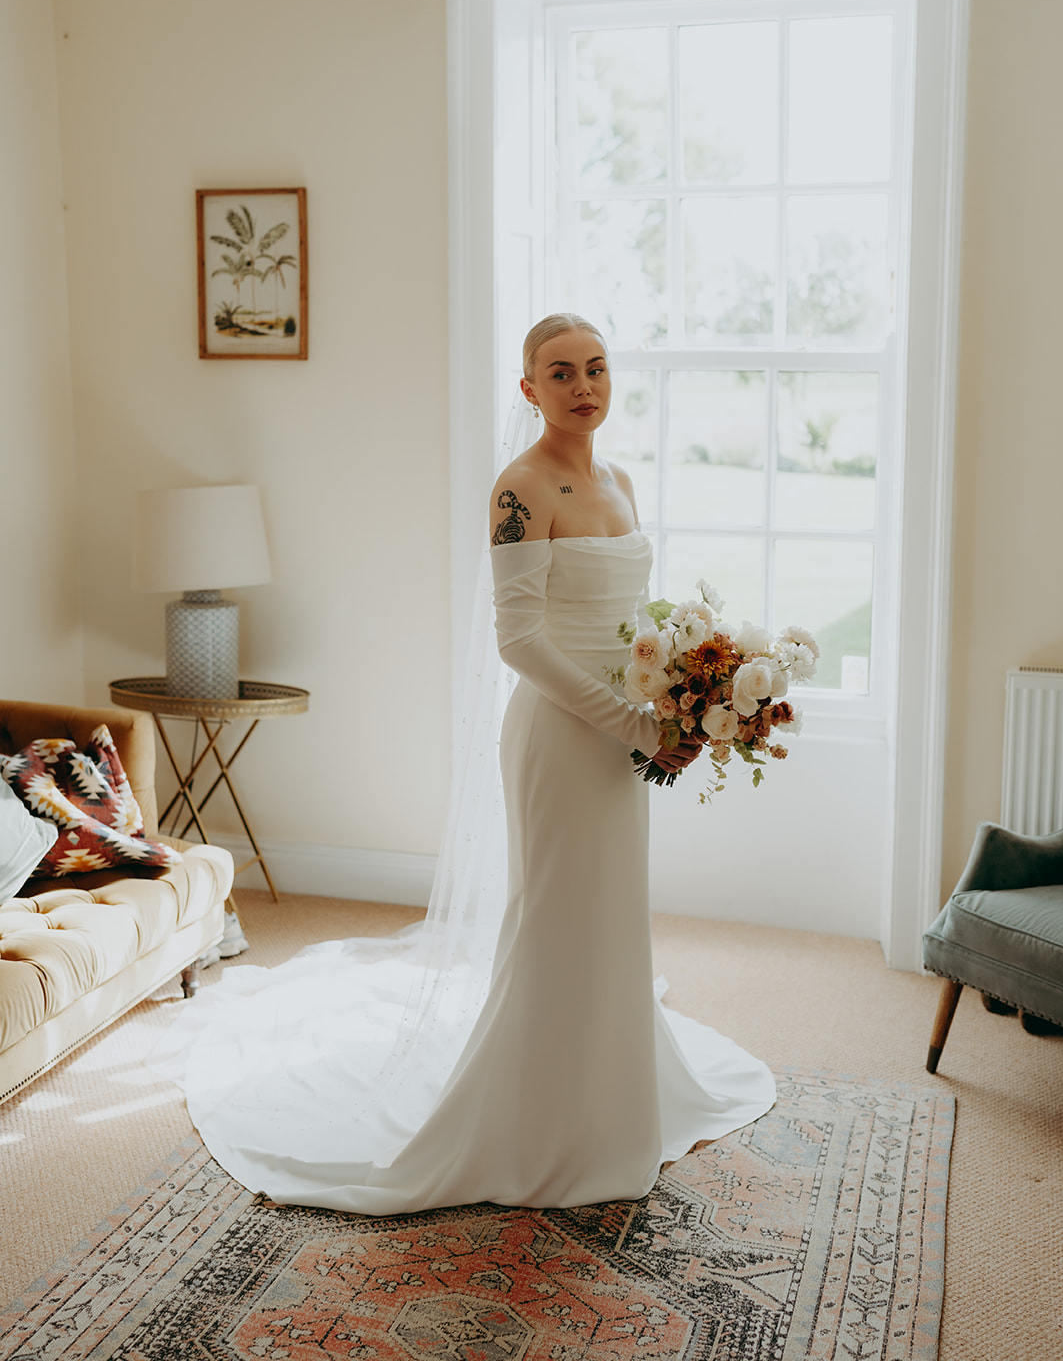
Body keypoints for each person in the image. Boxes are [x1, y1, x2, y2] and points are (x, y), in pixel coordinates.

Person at [156, 313, 774, 1215]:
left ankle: (613, 1098)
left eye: (595, 368)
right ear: (528, 390)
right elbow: (519, 640)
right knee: (556, 915)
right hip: (564, 739)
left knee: (606, 914)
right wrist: (631, 726)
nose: (582, 386)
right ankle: (540, 1121)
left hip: (626, 731)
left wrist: (681, 694)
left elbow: (628, 620)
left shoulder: (625, 480)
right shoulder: (520, 489)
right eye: (559, 373)